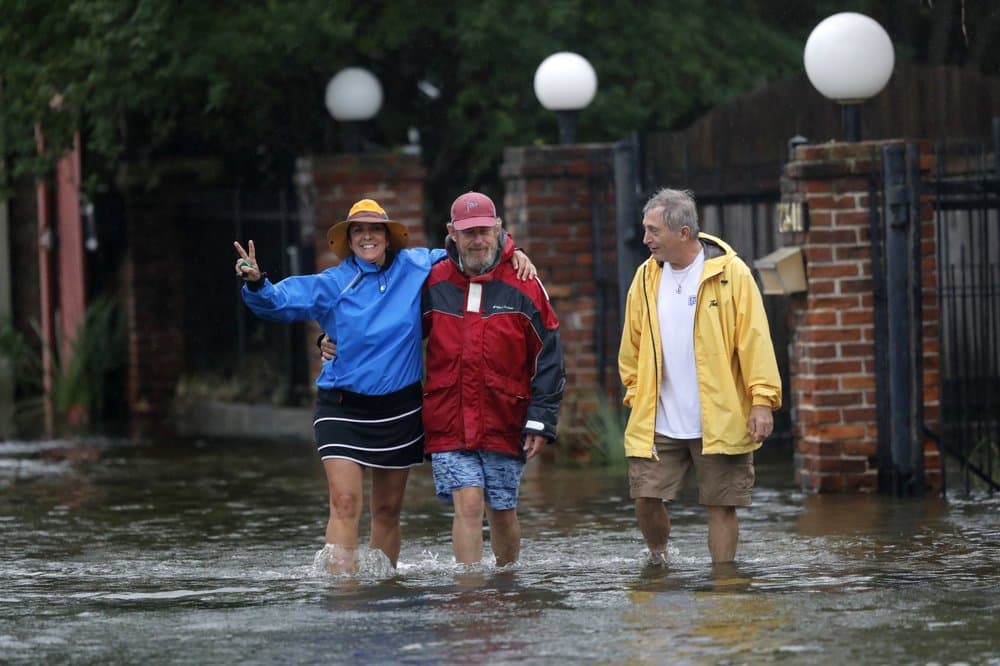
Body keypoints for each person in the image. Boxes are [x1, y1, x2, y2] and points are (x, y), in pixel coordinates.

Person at [233, 198, 535, 574]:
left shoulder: (418, 265)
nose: (367, 237)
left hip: (400, 410)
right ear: (349, 240)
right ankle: (342, 597)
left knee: (388, 510)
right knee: (345, 501)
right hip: (342, 407)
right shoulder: (333, 282)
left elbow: (471, 247)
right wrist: (257, 282)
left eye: (375, 229)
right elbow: (279, 302)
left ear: (389, 237)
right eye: (358, 230)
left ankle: (383, 593)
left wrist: (514, 250)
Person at [618, 187, 781, 565]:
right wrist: (634, 394)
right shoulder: (644, 278)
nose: (645, 239)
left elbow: (754, 339)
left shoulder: (732, 273)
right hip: (659, 417)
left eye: (653, 231)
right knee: (644, 497)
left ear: (684, 234)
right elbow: (633, 342)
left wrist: (761, 401)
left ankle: (724, 584)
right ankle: (660, 561)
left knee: (721, 505)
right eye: (645, 229)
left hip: (720, 417)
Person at [421, 192, 565, 567]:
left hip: (506, 417)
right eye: (468, 233)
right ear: (451, 233)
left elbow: (548, 358)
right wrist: (333, 340)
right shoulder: (432, 281)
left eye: (484, 230)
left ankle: (506, 582)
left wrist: (541, 420)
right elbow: (393, 330)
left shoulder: (524, 283)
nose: (477, 240)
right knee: (467, 504)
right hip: (449, 417)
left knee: (502, 510)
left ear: (498, 228)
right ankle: (468, 596)